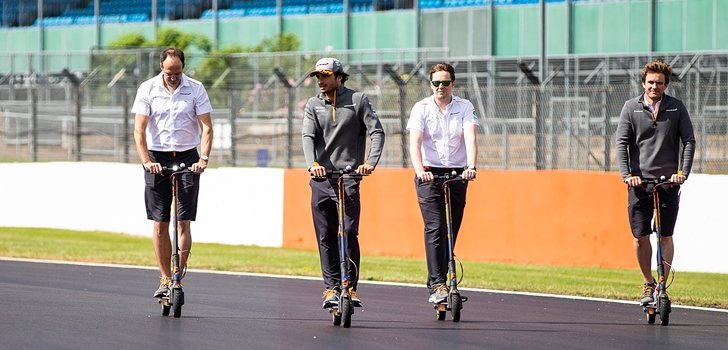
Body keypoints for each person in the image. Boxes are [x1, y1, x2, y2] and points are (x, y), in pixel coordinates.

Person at [302, 57, 385, 309]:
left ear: (339, 77)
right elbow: (307, 135)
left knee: (348, 231)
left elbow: (377, 131)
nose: (320, 81)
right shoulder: (312, 104)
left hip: (349, 177)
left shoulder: (358, 100)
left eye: (325, 76)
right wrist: (312, 164)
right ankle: (330, 287)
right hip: (321, 178)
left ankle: (350, 285)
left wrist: (370, 162)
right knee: (325, 235)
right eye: (317, 76)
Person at [132, 47, 213, 298]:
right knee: (160, 223)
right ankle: (165, 277)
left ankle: (178, 274)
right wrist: (146, 161)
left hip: (188, 156)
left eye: (177, 72)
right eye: (169, 73)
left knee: (183, 221)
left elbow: (207, 128)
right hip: (157, 158)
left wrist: (203, 159)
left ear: (183, 69)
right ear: (161, 68)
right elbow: (139, 130)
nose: (173, 77)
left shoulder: (196, 88)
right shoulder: (147, 89)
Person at [615, 59, 695, 306]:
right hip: (639, 184)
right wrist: (628, 175)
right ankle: (648, 281)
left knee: (665, 235)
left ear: (665, 85)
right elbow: (621, 143)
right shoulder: (631, 108)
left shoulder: (676, 108)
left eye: (659, 83)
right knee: (640, 236)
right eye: (650, 82)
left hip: (668, 182)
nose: (654, 86)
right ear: (643, 83)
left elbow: (689, 141)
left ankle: (662, 283)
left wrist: (682, 172)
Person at [406, 63, 478, 303]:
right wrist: (420, 171)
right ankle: (437, 283)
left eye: (445, 82)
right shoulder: (421, 108)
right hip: (429, 174)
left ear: (453, 84)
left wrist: (471, 166)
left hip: (457, 173)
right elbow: (415, 142)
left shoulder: (464, 107)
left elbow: (470, 136)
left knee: (451, 228)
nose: (440, 87)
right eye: (436, 83)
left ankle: (443, 278)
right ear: (431, 84)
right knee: (435, 228)